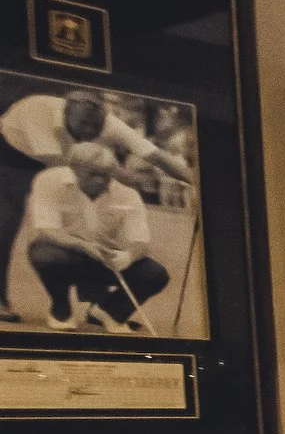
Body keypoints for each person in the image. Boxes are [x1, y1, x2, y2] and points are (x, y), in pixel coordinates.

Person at [0, 86, 191, 322]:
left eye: (96, 127)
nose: (90, 132)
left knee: (92, 209)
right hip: (10, 153)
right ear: (66, 114)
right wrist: (116, 172)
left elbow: (157, 156)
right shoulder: (37, 112)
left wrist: (197, 182)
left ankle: (100, 305)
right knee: (5, 222)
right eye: (83, 126)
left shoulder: (109, 123)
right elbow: (62, 168)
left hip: (71, 159)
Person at [24, 142, 168, 333]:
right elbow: (48, 230)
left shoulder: (127, 195)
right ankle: (61, 310)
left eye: (106, 174)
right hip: (66, 252)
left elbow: (140, 242)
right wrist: (83, 245)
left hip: (106, 258)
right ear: (74, 170)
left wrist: (127, 257)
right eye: (93, 174)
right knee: (47, 256)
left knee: (155, 275)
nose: (101, 180)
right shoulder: (48, 180)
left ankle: (109, 312)